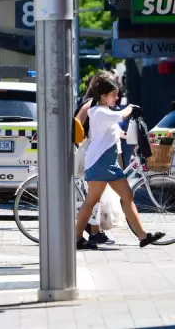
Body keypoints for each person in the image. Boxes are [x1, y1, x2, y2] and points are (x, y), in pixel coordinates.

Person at [74, 75, 165, 249]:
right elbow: (121, 115)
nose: (117, 98)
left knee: (127, 196)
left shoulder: (105, 112)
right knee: (92, 201)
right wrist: (130, 107)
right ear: (103, 96)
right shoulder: (99, 111)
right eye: (114, 95)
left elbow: (116, 132)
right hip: (99, 162)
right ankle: (77, 237)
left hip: (107, 163)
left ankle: (143, 236)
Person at [75, 71, 118, 245]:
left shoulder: (94, 104)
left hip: (93, 152)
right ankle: (88, 233)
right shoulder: (90, 105)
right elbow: (76, 125)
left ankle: (95, 232)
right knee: (94, 196)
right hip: (88, 153)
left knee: (96, 196)